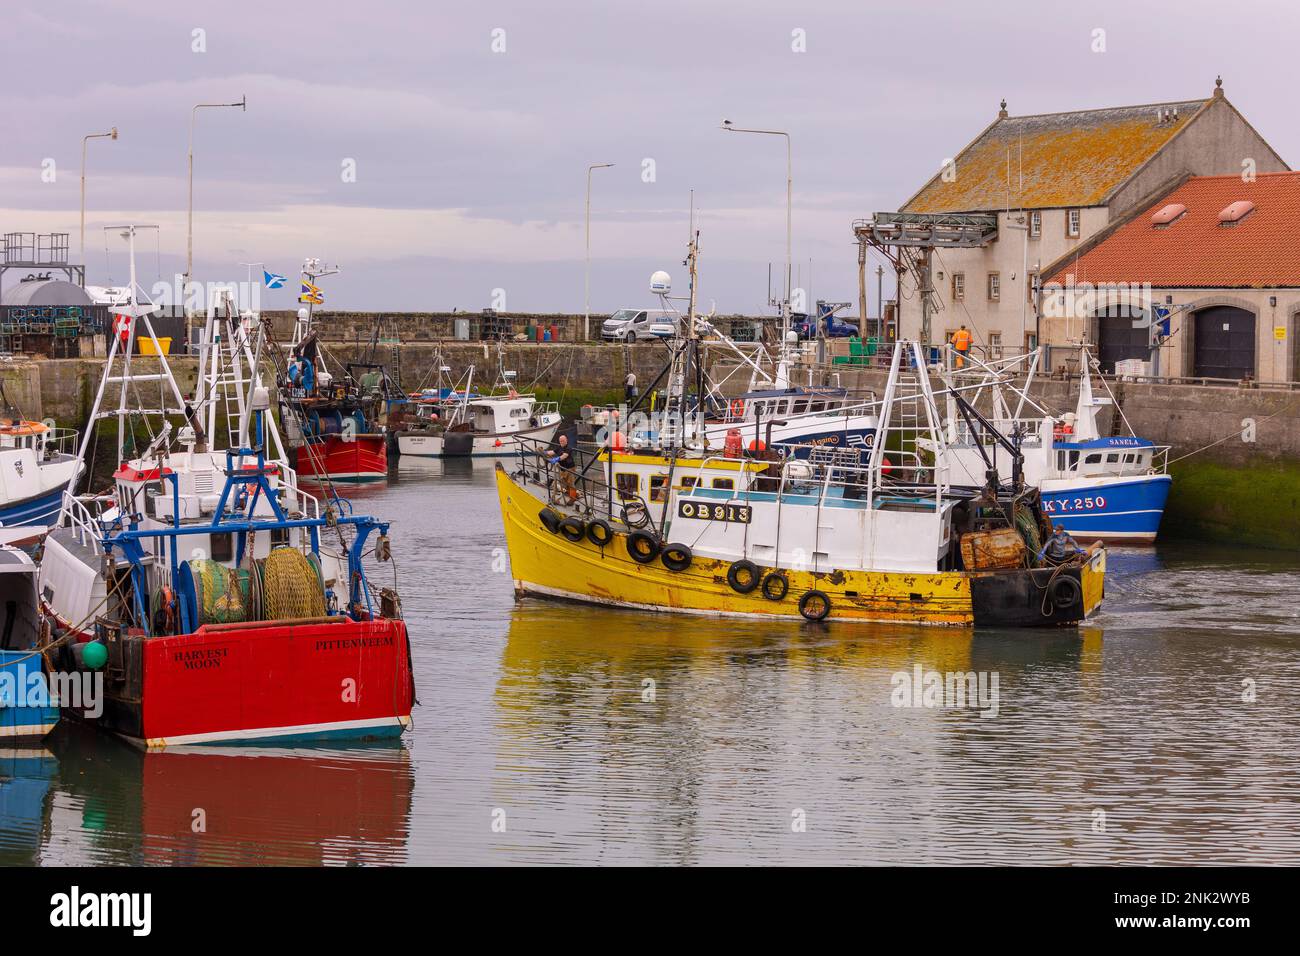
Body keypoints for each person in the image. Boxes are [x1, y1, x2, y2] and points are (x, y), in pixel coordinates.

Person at [548, 433, 577, 500]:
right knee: (560, 483)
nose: (562, 442)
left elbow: (564, 456)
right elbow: (552, 452)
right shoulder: (559, 447)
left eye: (563, 441)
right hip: (562, 469)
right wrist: (544, 452)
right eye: (560, 441)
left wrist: (557, 459)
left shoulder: (569, 448)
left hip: (570, 469)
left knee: (571, 484)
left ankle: (573, 499)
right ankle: (562, 494)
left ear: (566, 440)